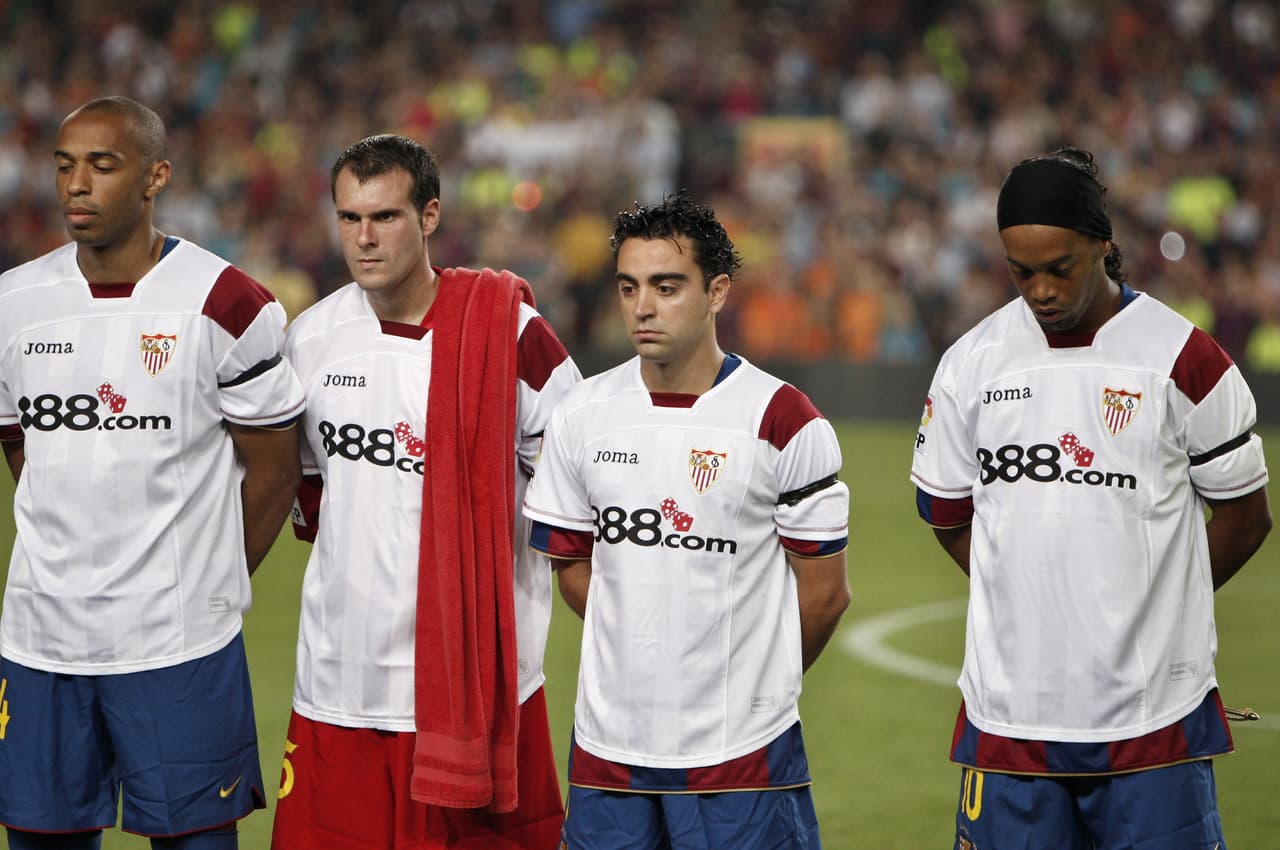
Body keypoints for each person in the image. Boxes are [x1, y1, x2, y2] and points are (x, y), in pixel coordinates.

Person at [910, 146, 1273, 849]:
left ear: (1102, 246)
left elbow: (1245, 516)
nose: (1040, 290)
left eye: (1060, 268)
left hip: (1153, 721)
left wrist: (1158, 605)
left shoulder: (1184, 359)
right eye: (1021, 272)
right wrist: (1030, 598)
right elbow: (948, 517)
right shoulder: (969, 366)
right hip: (1011, 722)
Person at [0, 96, 304, 849]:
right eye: (65, 166)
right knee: (38, 837)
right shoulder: (13, 305)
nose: (77, 184)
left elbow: (274, 468)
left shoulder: (226, 303)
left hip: (179, 646)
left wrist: (214, 579)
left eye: (102, 165)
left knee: (195, 839)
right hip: (41, 639)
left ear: (155, 177)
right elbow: (22, 450)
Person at [270, 134, 579, 850]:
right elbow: (307, 496)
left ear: (430, 215)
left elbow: (574, 486)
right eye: (349, 218)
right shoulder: (311, 340)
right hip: (342, 676)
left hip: (478, 687)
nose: (364, 238)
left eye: (385, 216)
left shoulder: (512, 335)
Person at [524, 191, 852, 849]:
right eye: (629, 287)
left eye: (667, 287)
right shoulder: (580, 415)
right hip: (610, 751)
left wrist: (755, 680)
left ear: (716, 292)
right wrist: (648, 644)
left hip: (742, 756)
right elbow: (572, 566)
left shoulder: (782, 419)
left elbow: (824, 595)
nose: (642, 307)